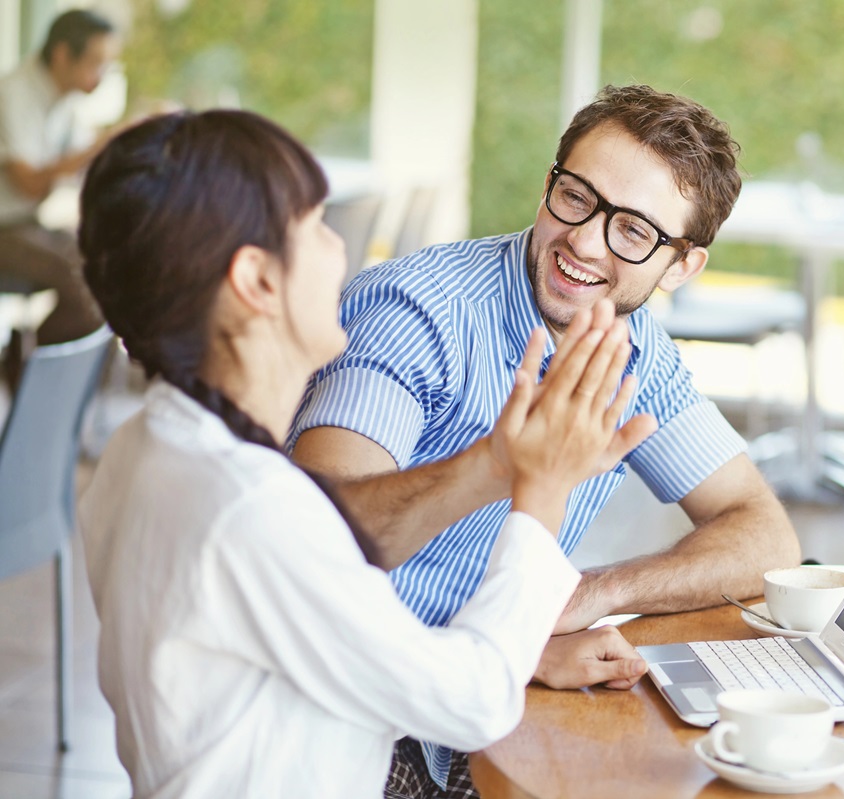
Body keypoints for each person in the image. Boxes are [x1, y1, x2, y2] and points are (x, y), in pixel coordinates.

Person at [76, 109, 653, 797]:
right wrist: (543, 488)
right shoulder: (253, 510)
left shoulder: (147, 445)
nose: (342, 251)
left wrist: (501, 460)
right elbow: (472, 702)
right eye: (317, 226)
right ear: (257, 281)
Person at [289, 83, 800, 796]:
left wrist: (579, 599)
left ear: (680, 265)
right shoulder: (417, 310)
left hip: (483, 699)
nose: (584, 241)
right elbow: (315, 540)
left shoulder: (636, 349)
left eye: (633, 231)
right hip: (356, 718)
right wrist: (501, 466)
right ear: (548, 183)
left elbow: (764, 535)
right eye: (576, 196)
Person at [0, 9, 116, 385]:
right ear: (64, 54)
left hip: (26, 223)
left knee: (107, 262)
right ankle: (24, 376)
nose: (101, 75)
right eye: (96, 62)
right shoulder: (14, 92)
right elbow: (30, 183)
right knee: (82, 276)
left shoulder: (63, 101)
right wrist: (97, 146)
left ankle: (25, 369)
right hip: (5, 226)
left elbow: (76, 167)